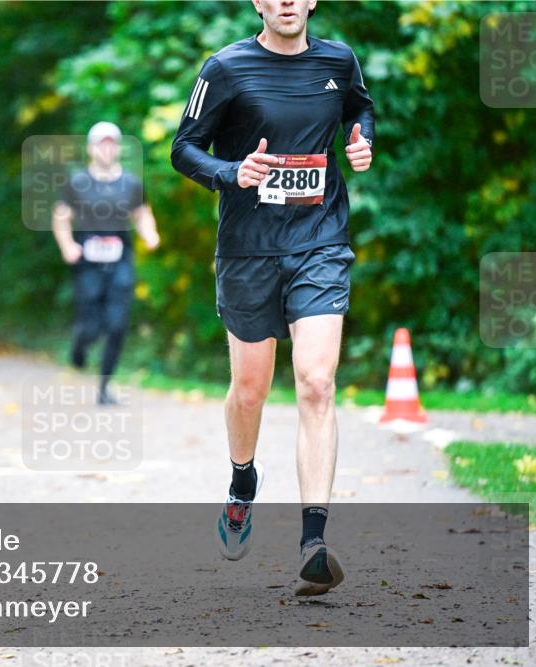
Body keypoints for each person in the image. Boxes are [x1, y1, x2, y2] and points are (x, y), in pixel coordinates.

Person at [170, 0, 374, 595]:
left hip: (319, 242)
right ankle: (242, 484)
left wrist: (362, 139)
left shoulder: (339, 61)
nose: (286, 2)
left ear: (311, 2)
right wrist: (231, 172)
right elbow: (184, 148)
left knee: (316, 382)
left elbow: (360, 108)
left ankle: (314, 543)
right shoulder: (226, 68)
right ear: (259, 3)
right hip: (248, 250)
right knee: (251, 390)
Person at [53, 122, 161, 405]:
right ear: (91, 148)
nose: (107, 149)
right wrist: (67, 246)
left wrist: (149, 233)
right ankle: (79, 346)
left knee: (117, 324)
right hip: (87, 260)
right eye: (101, 144)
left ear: (118, 148)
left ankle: (104, 387)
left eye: (112, 144)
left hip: (120, 258)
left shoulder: (130, 183)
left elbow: (142, 213)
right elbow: (61, 217)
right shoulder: (77, 182)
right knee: (90, 326)